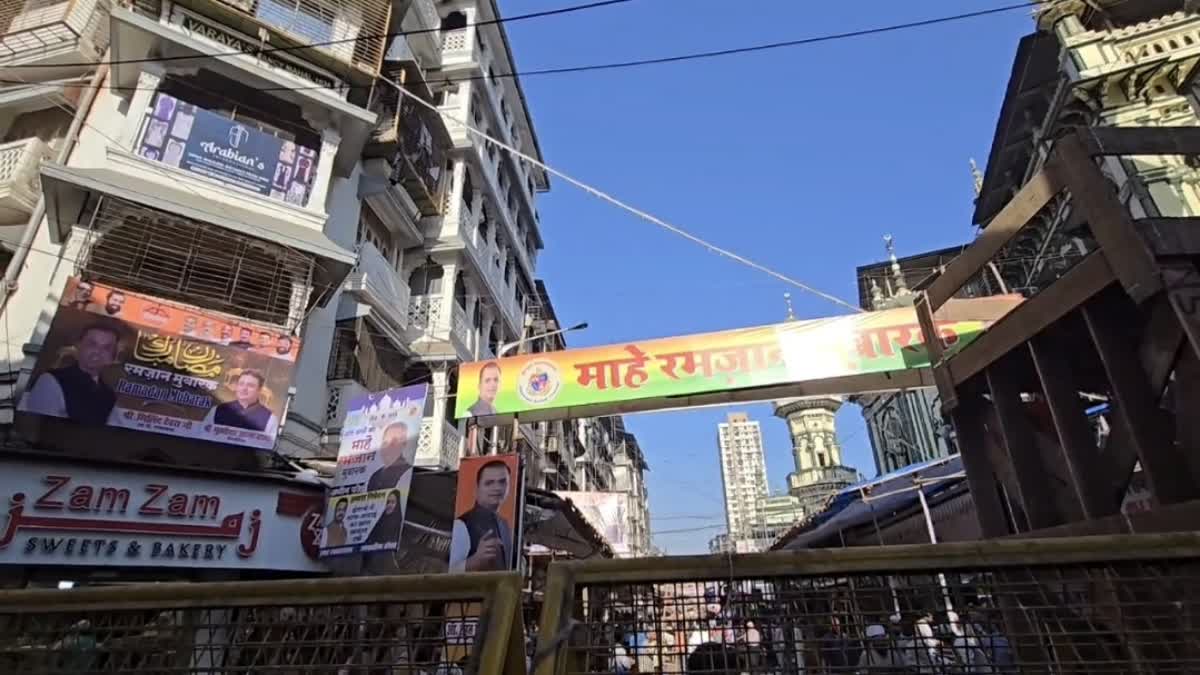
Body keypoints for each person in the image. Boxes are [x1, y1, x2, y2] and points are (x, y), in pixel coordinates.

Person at [20, 322, 120, 424]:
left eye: (107, 348)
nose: (98, 352)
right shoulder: (51, 380)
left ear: (112, 357)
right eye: (92, 344)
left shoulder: (109, 396)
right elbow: (38, 425)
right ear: (79, 346)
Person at [448, 460, 513, 572]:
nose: (497, 488)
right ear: (477, 488)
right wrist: (476, 560)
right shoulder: (462, 525)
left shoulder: (504, 524)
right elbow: (446, 573)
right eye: (489, 483)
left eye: (502, 482)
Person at [204, 370, 278, 434]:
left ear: (259, 390)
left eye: (250, 385)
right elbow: (204, 433)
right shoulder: (218, 410)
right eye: (241, 384)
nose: (244, 388)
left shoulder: (270, 418)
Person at [366, 422, 416, 492]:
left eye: (394, 442)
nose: (387, 447)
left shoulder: (407, 473)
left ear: (404, 444)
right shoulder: (375, 476)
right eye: (385, 442)